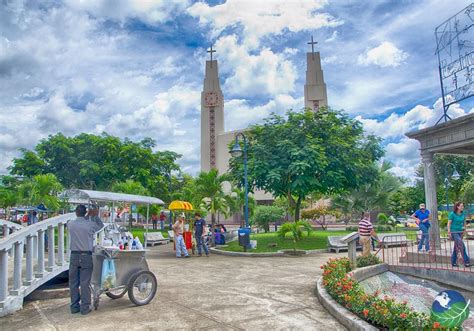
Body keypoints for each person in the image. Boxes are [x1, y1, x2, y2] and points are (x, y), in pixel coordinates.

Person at [68, 205, 104, 315]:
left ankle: (74, 306)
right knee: (85, 282)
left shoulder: (70, 224)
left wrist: (87, 216)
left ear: (76, 212)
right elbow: (100, 225)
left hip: (74, 255)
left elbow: (70, 223)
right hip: (85, 255)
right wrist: (94, 215)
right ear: (85, 212)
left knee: (73, 282)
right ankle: (85, 307)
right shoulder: (90, 225)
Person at [448, 201, 470, 268]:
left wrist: (465, 231)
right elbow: (449, 223)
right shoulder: (452, 214)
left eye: (462, 206)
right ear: (457, 207)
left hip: (460, 232)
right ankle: (466, 261)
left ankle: (453, 262)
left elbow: (464, 223)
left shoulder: (463, 214)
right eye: (461, 206)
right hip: (454, 232)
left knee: (456, 247)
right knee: (461, 245)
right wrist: (449, 232)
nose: (462, 207)